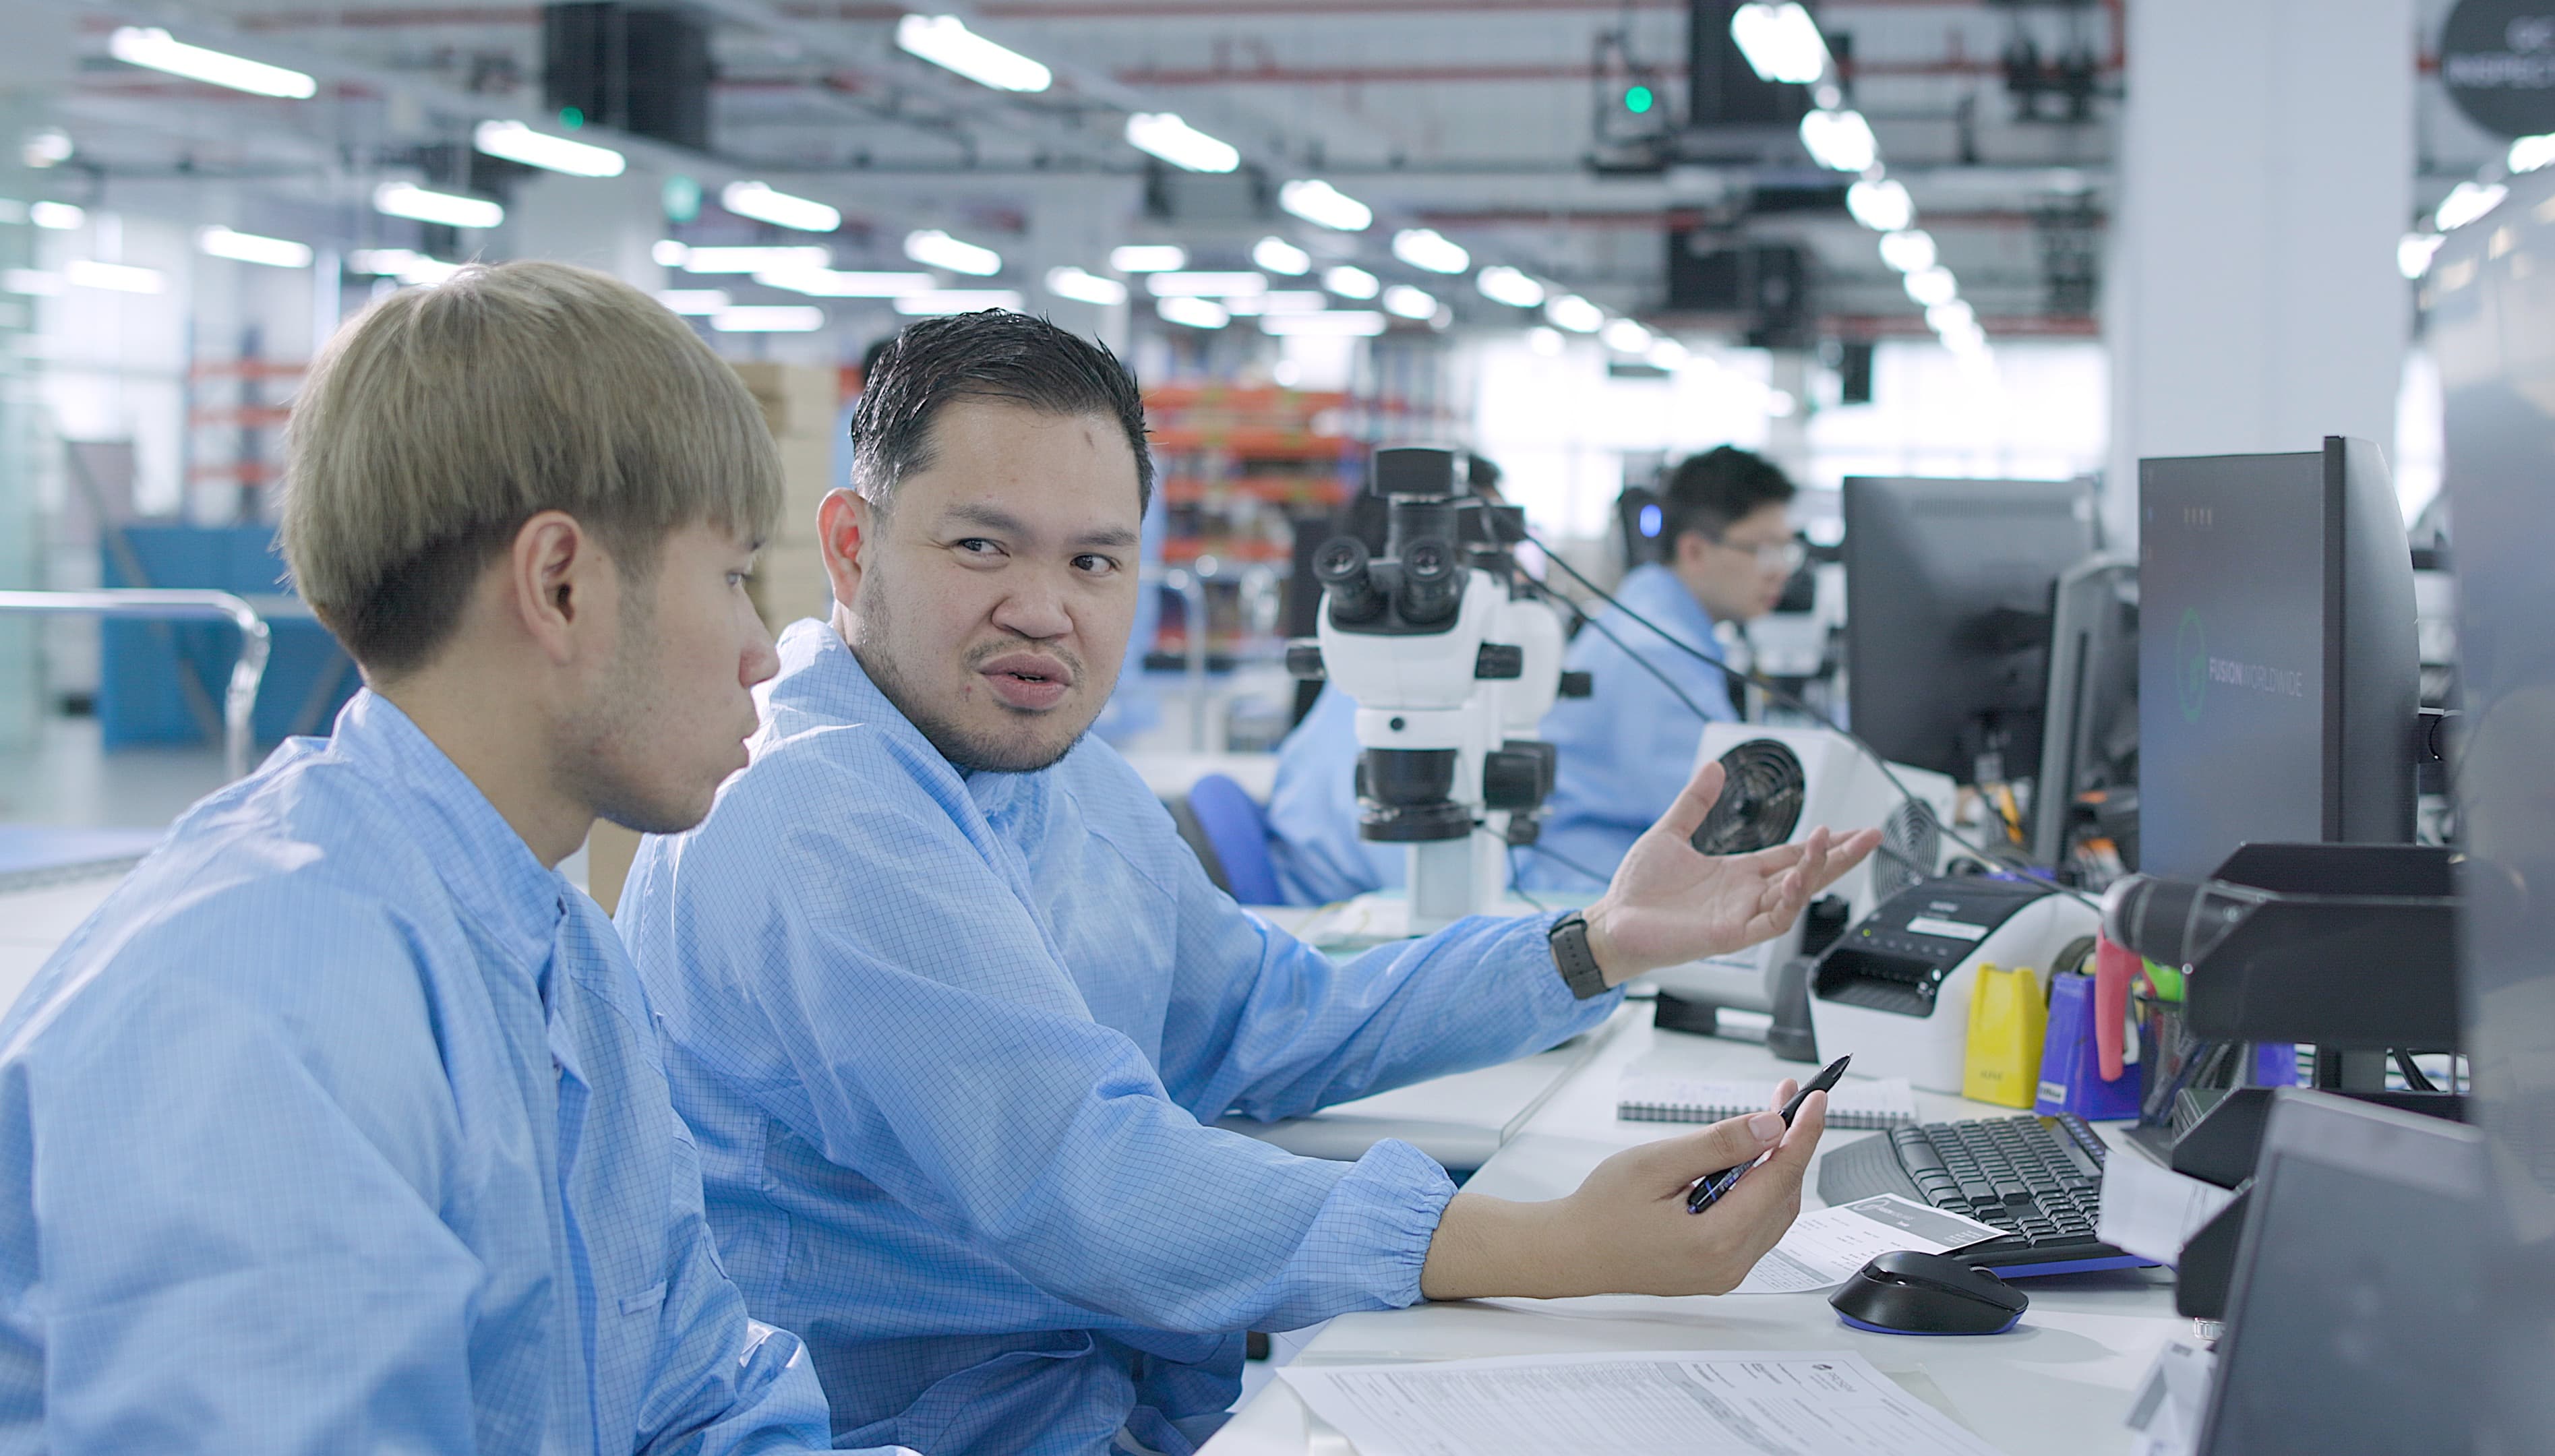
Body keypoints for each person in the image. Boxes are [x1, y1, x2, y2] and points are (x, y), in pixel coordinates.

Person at [618, 311, 1877, 1456]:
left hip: (1123, 1403)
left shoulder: (1055, 775)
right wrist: (1558, 1247)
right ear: (850, 546)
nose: (1046, 610)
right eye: (983, 546)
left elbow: (1266, 1015)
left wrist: (1591, 945)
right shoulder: (814, 809)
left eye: (1096, 563)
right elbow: (1087, 1174)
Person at [0, 262, 908, 1455]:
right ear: (561, 584)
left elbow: (698, 1400)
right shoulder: (276, 999)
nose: (758, 651)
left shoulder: (560, 947)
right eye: (733, 576)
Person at [1522, 445, 1804, 892]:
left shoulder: (1654, 620)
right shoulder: (1655, 654)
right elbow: (1729, 817)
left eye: (1787, 551)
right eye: (1764, 550)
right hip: (1594, 893)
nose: (1779, 573)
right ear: (1694, 550)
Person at [1261, 455, 1505, 903]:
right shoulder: (1382, 711)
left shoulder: (1364, 686)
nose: (1509, 582)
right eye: (1491, 561)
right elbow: (1431, 888)